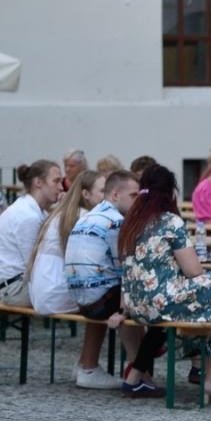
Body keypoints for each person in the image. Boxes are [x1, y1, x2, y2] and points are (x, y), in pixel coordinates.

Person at [119, 165, 211, 406]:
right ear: (171, 192)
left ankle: (142, 373)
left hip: (136, 304)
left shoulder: (130, 221)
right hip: (161, 302)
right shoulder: (170, 221)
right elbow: (193, 270)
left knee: (206, 305)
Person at [66, 169, 167, 397]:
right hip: (98, 300)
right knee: (151, 299)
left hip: (79, 298)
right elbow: (129, 269)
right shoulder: (118, 222)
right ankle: (143, 364)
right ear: (114, 194)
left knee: (131, 299)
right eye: (133, 196)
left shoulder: (90, 215)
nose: (138, 201)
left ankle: (143, 366)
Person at [28, 170, 116, 389]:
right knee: (100, 300)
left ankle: (85, 364)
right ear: (86, 194)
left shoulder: (63, 212)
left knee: (99, 293)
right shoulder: (85, 217)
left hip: (41, 288)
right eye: (102, 191)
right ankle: (89, 367)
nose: (107, 197)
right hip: (55, 290)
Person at [0, 160, 64, 306]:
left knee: (86, 290)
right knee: (85, 293)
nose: (61, 188)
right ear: (38, 182)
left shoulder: (33, 210)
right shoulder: (28, 216)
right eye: (56, 181)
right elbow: (37, 264)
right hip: (17, 290)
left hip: (21, 284)